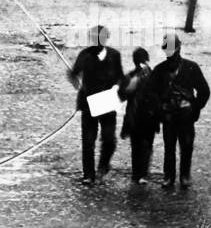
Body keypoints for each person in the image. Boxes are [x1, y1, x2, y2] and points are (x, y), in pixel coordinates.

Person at [149, 31, 210, 191]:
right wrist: (160, 110)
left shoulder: (191, 67)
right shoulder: (159, 70)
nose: (171, 54)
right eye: (167, 50)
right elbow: (150, 93)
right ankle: (169, 176)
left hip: (186, 116)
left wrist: (195, 109)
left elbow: (204, 91)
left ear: (179, 48)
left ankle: (185, 176)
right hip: (168, 116)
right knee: (169, 147)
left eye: (173, 50)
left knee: (186, 146)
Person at [67, 25, 124, 184]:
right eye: (94, 39)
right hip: (88, 103)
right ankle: (88, 175)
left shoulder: (114, 55)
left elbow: (120, 76)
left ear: (106, 39)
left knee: (109, 139)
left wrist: (117, 86)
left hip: (107, 103)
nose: (97, 42)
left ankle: (103, 166)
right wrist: (76, 82)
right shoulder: (84, 55)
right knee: (88, 140)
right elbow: (73, 73)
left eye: (100, 38)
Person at [118, 46, 158, 185]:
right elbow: (122, 94)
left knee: (138, 145)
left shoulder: (141, 76)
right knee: (144, 145)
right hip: (145, 115)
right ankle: (141, 174)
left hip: (138, 115)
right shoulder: (149, 75)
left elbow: (121, 95)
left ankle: (138, 173)